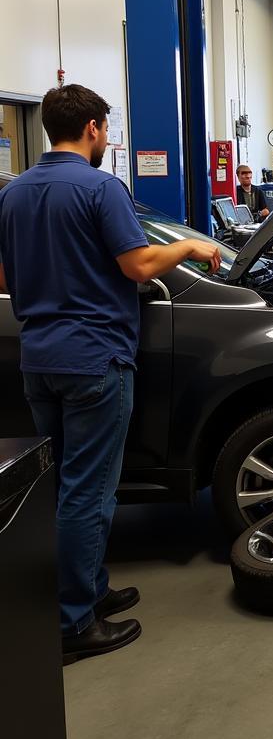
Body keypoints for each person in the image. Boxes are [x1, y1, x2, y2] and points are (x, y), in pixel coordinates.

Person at [0, 83, 221, 663]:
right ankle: (73, 624)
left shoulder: (16, 192)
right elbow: (139, 262)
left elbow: (5, 276)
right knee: (89, 491)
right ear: (94, 128)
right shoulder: (101, 187)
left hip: (38, 358)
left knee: (61, 487)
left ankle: (90, 592)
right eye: (106, 129)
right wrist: (193, 250)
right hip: (95, 358)